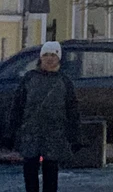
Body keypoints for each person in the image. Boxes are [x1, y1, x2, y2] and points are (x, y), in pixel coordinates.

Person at [5, 41, 80, 192]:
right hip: (31, 134)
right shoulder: (29, 78)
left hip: (54, 134)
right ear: (40, 58)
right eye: (46, 55)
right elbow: (17, 107)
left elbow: (72, 111)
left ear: (59, 57)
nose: (49, 58)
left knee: (51, 172)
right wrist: (10, 133)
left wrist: (74, 137)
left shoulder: (65, 82)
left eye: (53, 55)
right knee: (30, 170)